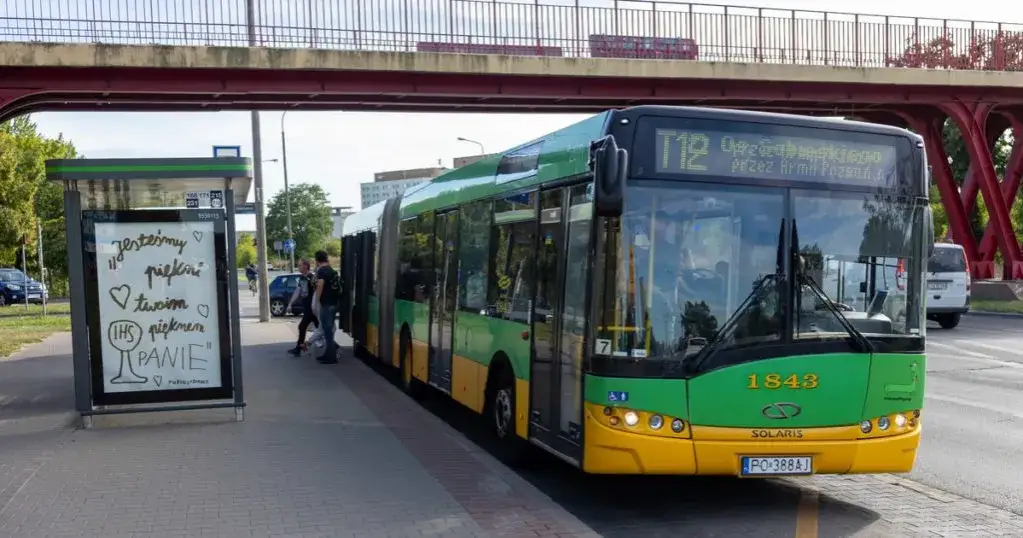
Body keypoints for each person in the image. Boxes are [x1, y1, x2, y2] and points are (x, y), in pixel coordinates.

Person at [312, 250, 341, 364]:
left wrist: (316, 301)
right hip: (335, 303)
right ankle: (328, 354)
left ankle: (331, 356)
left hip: (327, 304)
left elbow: (320, 286)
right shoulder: (332, 271)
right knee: (328, 330)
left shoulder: (322, 271)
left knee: (327, 331)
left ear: (317, 260)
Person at [286, 259, 319, 356]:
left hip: (311, 308)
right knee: (321, 329)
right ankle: (334, 347)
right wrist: (290, 303)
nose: (298, 267)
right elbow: (298, 291)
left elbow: (317, 293)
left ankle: (298, 349)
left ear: (305, 266)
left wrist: (315, 306)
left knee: (302, 326)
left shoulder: (311, 278)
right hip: (308, 308)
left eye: (300, 265)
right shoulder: (302, 278)